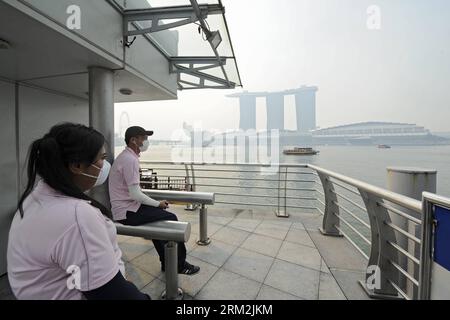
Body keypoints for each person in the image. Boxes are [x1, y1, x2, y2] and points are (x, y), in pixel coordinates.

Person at [7, 123, 150, 300]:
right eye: (101, 158)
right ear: (76, 165)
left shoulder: (35, 198)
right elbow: (114, 294)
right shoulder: (77, 216)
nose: (105, 165)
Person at [109, 126, 200, 275]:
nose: (146, 141)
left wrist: (156, 205)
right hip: (127, 212)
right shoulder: (129, 160)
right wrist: (157, 203)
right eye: (143, 138)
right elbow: (135, 194)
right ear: (133, 140)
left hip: (128, 208)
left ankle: (167, 262)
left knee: (160, 219)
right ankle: (180, 264)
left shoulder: (127, 157)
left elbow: (134, 193)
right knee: (172, 220)